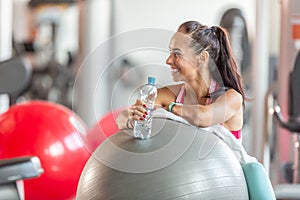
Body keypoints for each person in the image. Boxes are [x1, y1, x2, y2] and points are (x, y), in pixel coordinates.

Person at [116, 20, 247, 140]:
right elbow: (121, 118)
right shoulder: (167, 95)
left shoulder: (232, 98)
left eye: (177, 54)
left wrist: (170, 108)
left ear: (202, 58)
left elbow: (202, 117)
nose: (168, 61)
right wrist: (133, 118)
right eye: (170, 52)